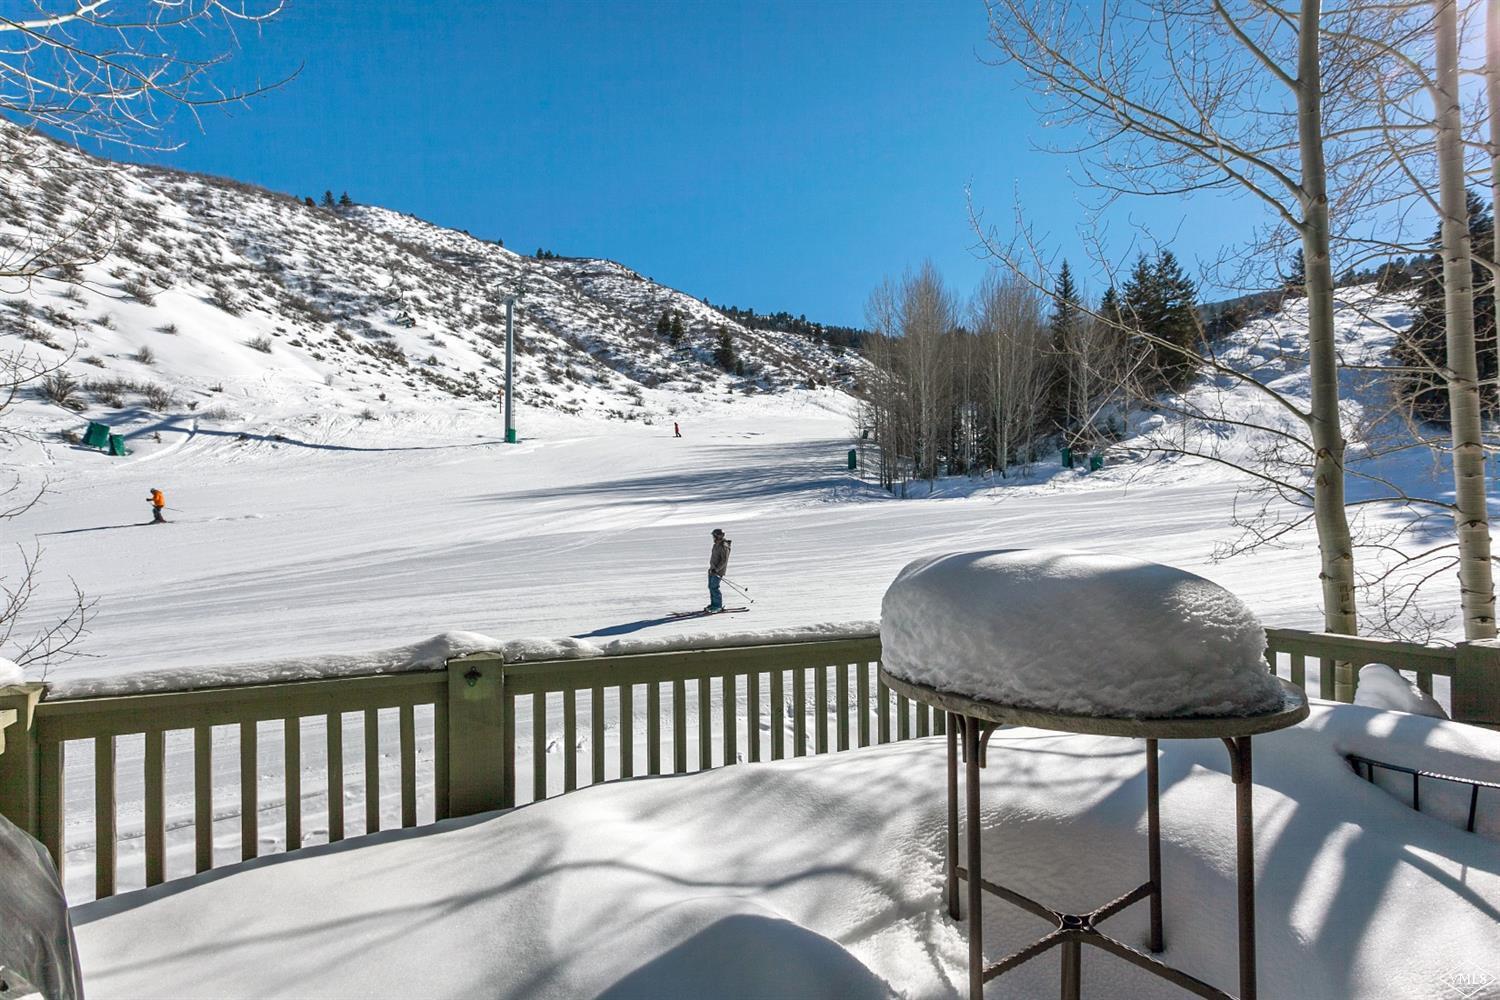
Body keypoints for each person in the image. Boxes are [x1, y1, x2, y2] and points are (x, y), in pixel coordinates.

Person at [706, 528, 731, 611]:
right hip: (712, 569)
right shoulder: (716, 544)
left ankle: (718, 606)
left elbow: (724, 560)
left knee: (714, 587)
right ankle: (713, 604)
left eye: (714, 536)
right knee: (711, 587)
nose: (713, 538)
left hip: (718, 571)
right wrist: (712, 568)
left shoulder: (724, 546)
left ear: (719, 536)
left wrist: (716, 570)